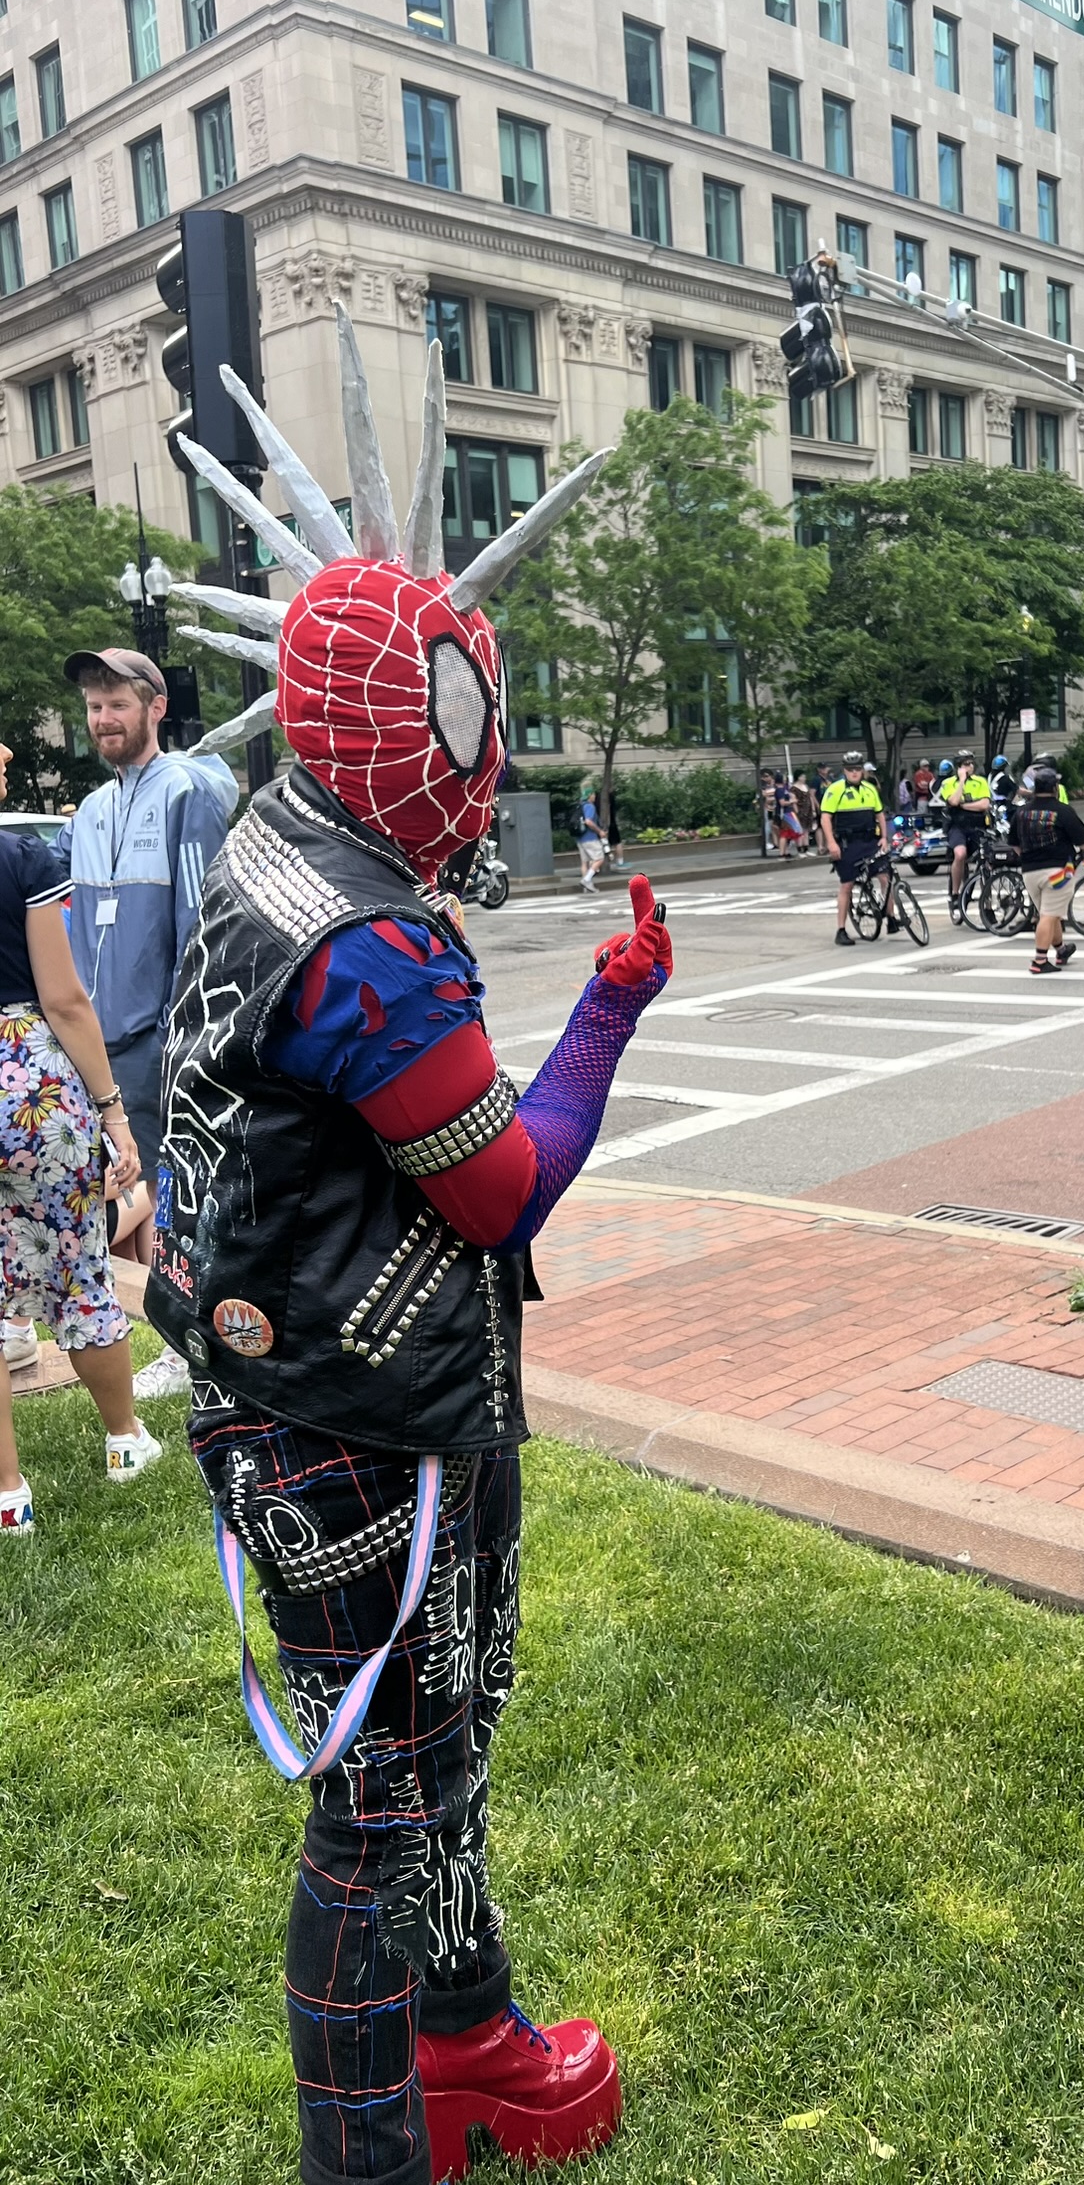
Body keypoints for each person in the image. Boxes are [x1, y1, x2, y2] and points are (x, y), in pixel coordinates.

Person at [145, 314, 669, 2185]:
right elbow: (505, 1182)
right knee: (385, 1791)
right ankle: (368, 2145)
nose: (480, 744)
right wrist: (615, 1003)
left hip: (290, 1380)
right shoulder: (370, 943)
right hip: (362, 1414)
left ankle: (471, 2032)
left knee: (431, 1746)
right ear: (404, 713)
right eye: (461, 709)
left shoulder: (271, 846)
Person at [51, 646, 236, 1406]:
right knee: (139, 1195)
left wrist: (182, 1034)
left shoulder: (189, 791)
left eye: (117, 704)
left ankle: (200, 1352)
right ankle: (180, 1340)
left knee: (182, 1194)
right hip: (98, 1044)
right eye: (95, 707)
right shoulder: (91, 811)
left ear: (155, 707)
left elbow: (204, 924)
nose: (103, 720)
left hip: (160, 1044)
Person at [0, 736, 160, 1537]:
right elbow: (64, 999)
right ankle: (124, 1440)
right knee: (78, 1261)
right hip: (27, 1078)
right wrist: (111, 1108)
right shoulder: (22, 859)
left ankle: (8, 1495)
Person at [1012, 764, 1084, 974]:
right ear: (1055, 788)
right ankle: (1039, 961)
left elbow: (1014, 843)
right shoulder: (1062, 811)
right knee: (1048, 915)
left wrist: (1029, 856)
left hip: (1029, 872)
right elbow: (1083, 840)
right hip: (1058, 873)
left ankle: (1061, 949)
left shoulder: (1021, 812)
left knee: (1049, 912)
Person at [820, 749, 888, 946]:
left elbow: (880, 814)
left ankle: (890, 916)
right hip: (847, 844)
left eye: (857, 769)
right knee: (847, 885)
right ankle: (841, 930)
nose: (854, 773)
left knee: (885, 876)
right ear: (844, 771)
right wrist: (831, 843)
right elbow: (825, 818)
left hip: (869, 841)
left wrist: (884, 837)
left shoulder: (869, 789)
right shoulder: (835, 789)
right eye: (850, 770)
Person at [938, 749, 992, 924]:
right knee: (960, 854)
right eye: (966, 764)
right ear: (958, 767)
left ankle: (988, 905)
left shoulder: (980, 781)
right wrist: (961, 781)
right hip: (958, 826)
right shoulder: (948, 783)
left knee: (987, 862)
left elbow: (984, 804)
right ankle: (955, 895)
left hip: (977, 825)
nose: (970, 767)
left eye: (971, 763)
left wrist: (963, 805)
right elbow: (952, 801)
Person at [574, 780, 606, 892]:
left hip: (580, 838)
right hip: (590, 838)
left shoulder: (580, 805)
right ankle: (586, 880)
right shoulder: (589, 806)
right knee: (599, 858)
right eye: (593, 794)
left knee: (585, 862)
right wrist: (599, 831)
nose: (594, 796)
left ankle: (587, 887)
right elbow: (588, 821)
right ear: (589, 795)